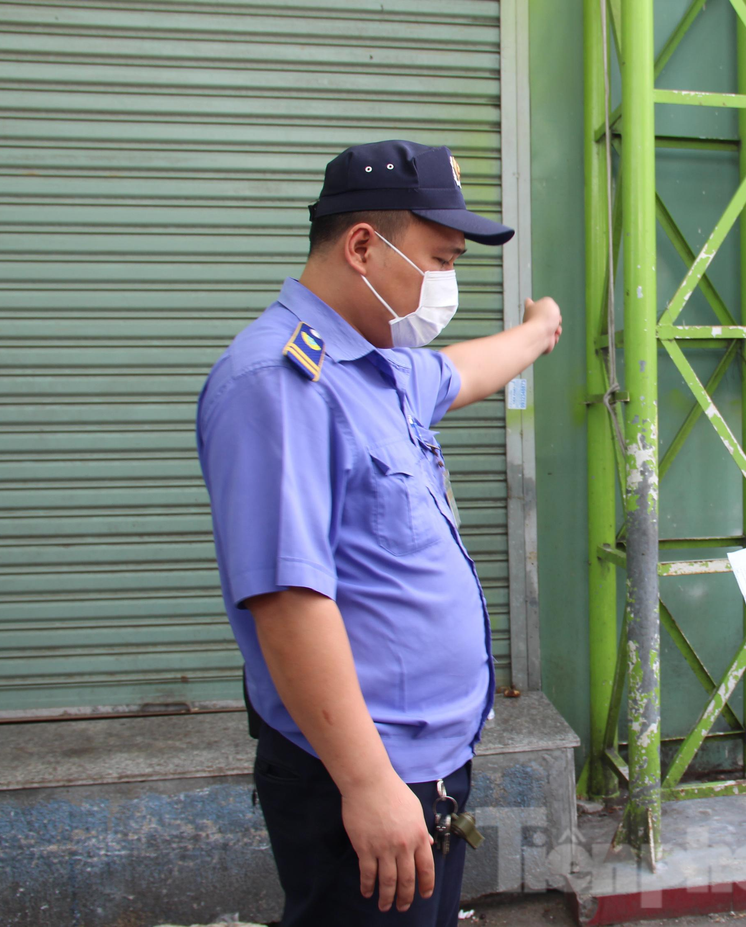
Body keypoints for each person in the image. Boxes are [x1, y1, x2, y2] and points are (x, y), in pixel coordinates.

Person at [196, 139, 562, 927]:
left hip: (424, 771)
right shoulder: (282, 382)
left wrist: (539, 330)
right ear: (363, 246)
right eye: (441, 257)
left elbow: (468, 368)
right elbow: (289, 602)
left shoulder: (380, 368)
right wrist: (367, 784)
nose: (447, 284)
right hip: (363, 780)